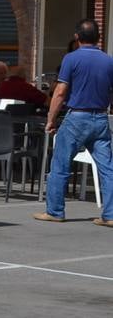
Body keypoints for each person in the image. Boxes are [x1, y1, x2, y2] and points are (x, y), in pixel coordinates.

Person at [36, 19, 113, 226]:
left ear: (77, 37)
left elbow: (60, 92)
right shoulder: (108, 61)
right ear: (98, 38)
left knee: (60, 164)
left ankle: (55, 211)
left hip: (77, 117)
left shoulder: (71, 59)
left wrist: (51, 120)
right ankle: (110, 214)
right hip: (101, 117)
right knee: (107, 168)